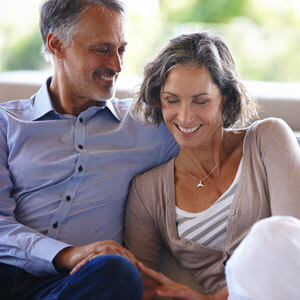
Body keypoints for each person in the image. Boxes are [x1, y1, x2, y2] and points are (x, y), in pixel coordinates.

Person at [0, 0, 178, 299]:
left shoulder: (150, 128)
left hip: (78, 285)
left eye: (121, 49)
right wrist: (67, 254)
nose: (117, 65)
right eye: (102, 49)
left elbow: (227, 140)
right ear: (56, 44)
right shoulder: (6, 124)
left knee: (116, 271)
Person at [124, 31, 300, 299]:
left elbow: (293, 244)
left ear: (226, 97)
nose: (184, 117)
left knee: (271, 234)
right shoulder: (147, 192)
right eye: (172, 100)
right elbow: (141, 286)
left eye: (201, 101)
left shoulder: (268, 139)